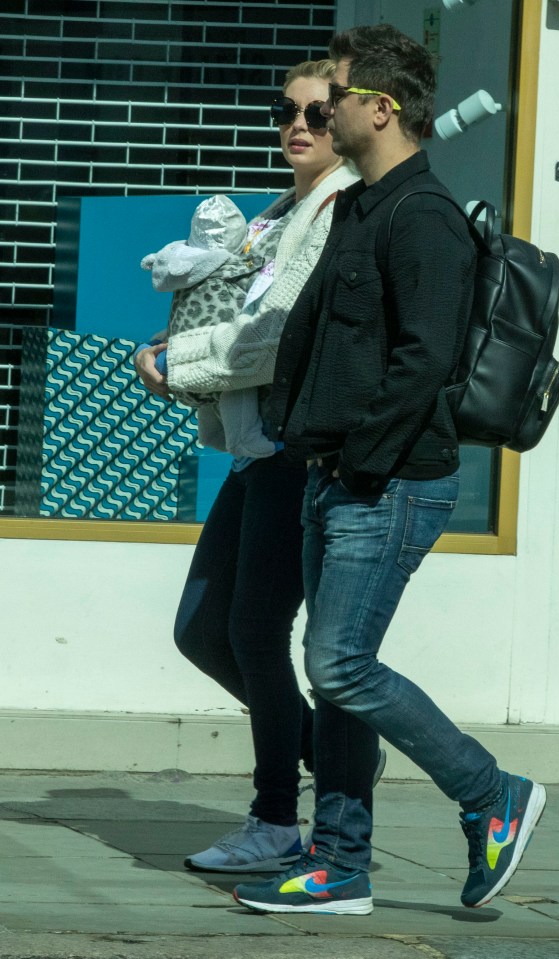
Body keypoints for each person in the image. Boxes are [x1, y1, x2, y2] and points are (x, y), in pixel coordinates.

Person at [232, 25, 546, 915]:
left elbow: (424, 363)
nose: (321, 110)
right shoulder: (361, 204)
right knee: (332, 672)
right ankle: (339, 864)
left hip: (392, 480)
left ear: (380, 106)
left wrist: (360, 460)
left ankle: (493, 795)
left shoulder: (427, 219)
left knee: (339, 665)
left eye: (333, 95)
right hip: (332, 471)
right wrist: (301, 435)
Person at [135, 59, 362, 873]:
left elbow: (272, 335)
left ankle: (275, 818)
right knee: (204, 628)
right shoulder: (280, 211)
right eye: (287, 110)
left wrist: (183, 361)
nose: (298, 125)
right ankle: (330, 755)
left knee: (254, 630)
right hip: (256, 450)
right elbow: (232, 301)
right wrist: (181, 347)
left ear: (351, 121)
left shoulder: (339, 210)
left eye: (318, 113)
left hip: (297, 453)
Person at [140, 193, 275, 458]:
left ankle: (213, 434)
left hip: (183, 351)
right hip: (214, 354)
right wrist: (148, 352)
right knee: (236, 383)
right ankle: (242, 438)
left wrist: (154, 350)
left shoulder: (183, 262)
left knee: (230, 377)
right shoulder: (232, 265)